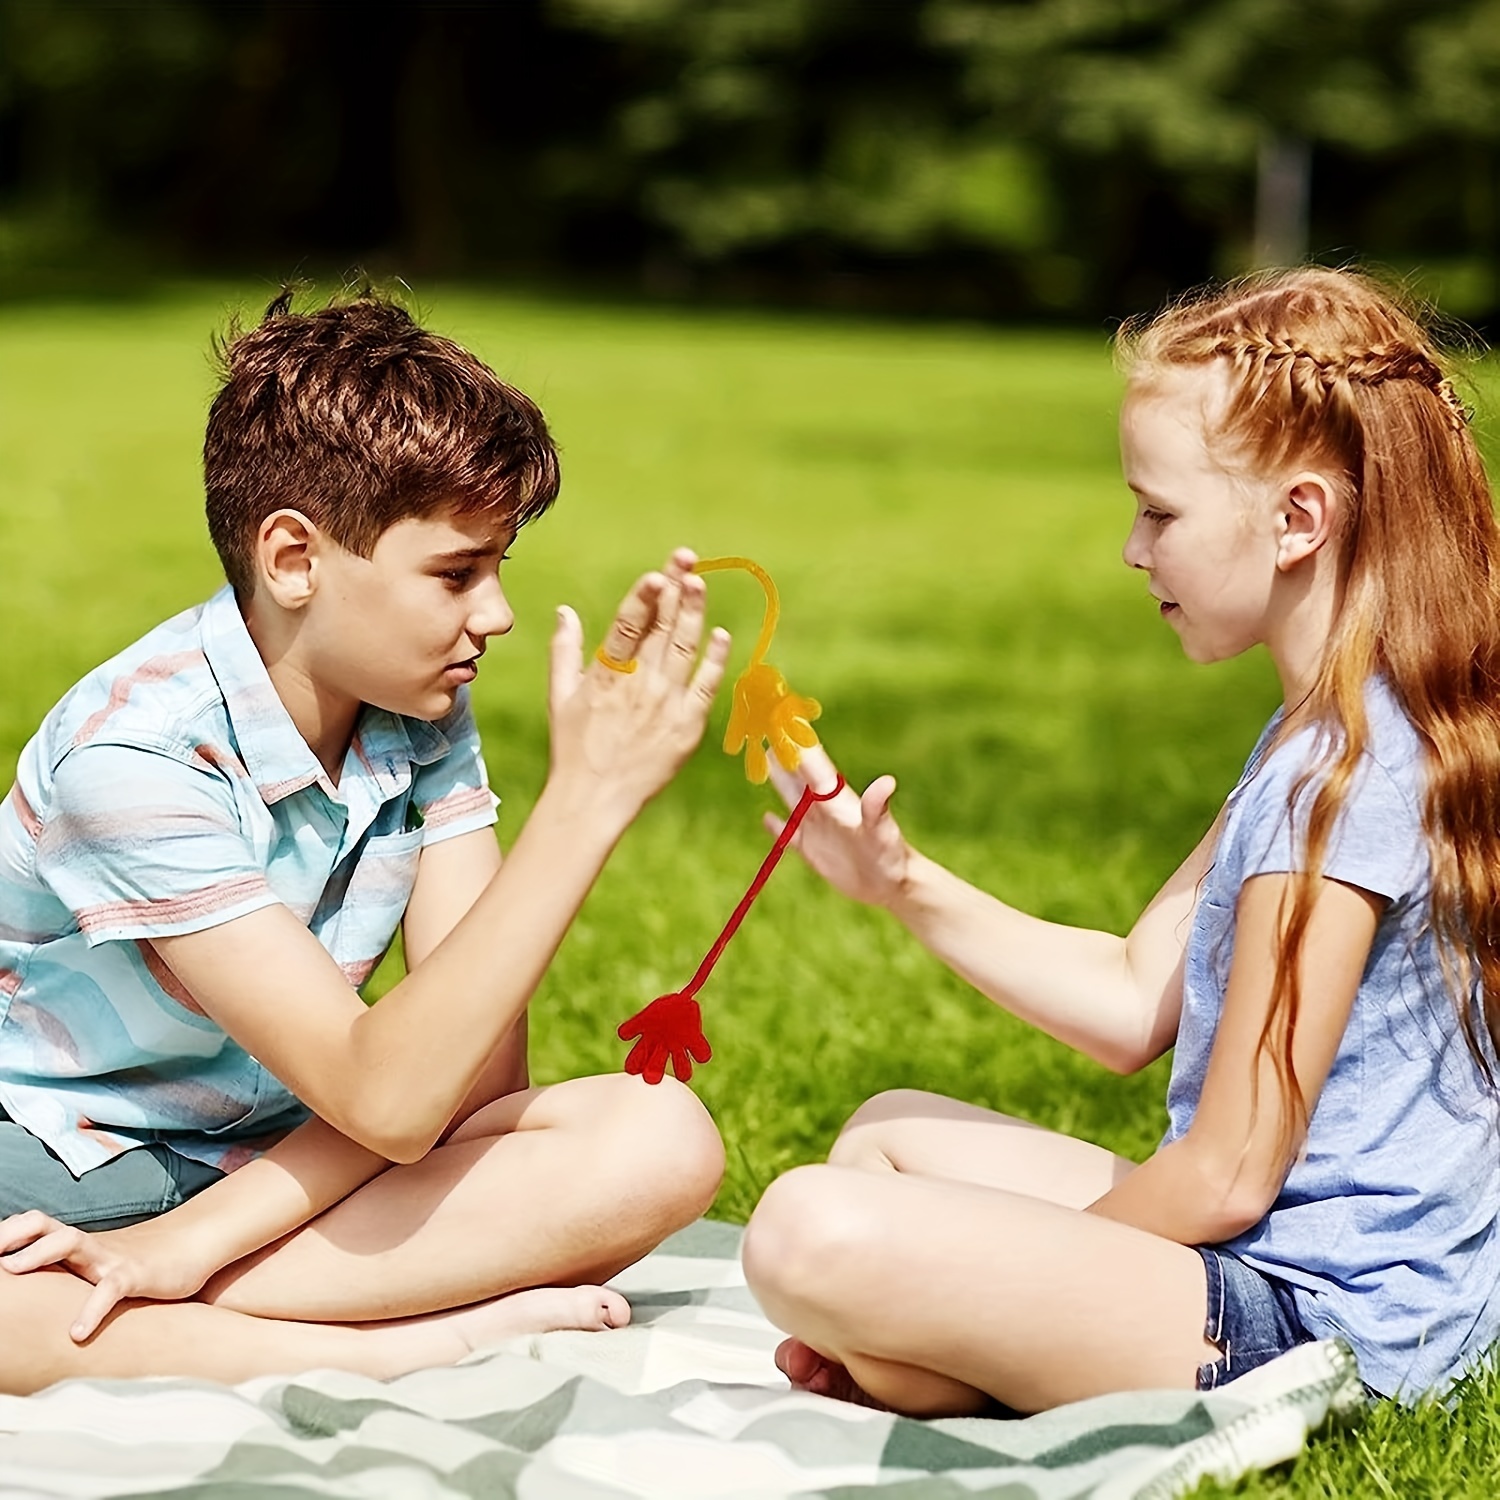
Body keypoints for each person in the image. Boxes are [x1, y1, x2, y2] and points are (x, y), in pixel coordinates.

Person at [741, 266, 1500, 1414]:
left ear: (1299, 518)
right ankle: (930, 1362)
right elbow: (1134, 996)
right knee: (884, 1138)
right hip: (1244, 1265)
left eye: (1159, 511)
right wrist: (898, 882)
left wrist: (1006, 1277)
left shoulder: (1349, 778)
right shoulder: (1313, 734)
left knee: (808, 1229)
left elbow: (1233, 1171)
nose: (1132, 551)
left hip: (1321, 1328)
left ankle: (941, 1361)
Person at [0, 289, 729, 1394]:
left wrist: (189, 1243)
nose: (496, 616)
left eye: (500, 568)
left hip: (281, 1175)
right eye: (456, 572)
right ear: (294, 558)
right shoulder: (134, 760)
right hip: (60, 1162)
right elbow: (389, 1101)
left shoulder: (418, 716)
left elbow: (465, 1089)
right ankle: (389, 1344)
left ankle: (163, 1303)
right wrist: (587, 797)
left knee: (658, 1136)